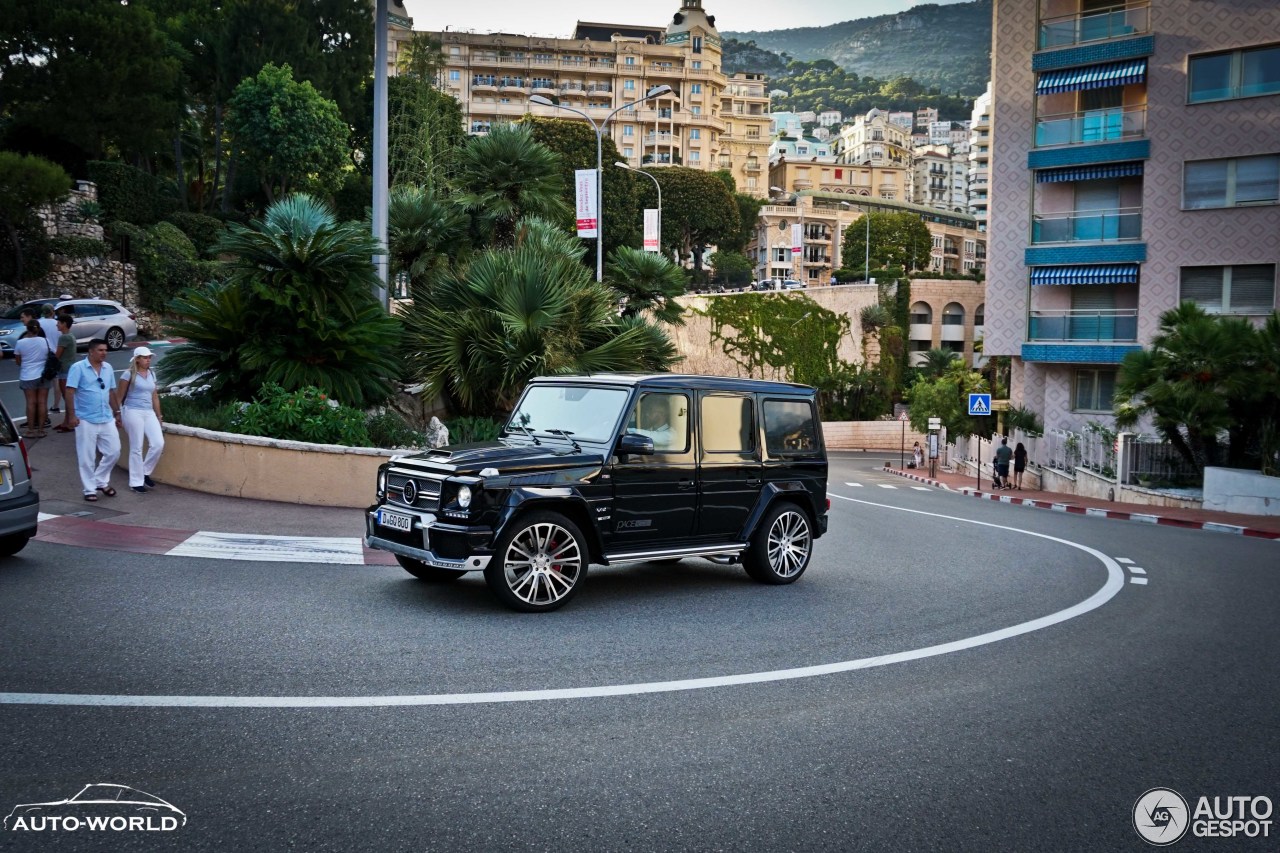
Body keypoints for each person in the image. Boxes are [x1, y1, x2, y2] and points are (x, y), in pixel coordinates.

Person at [64, 338, 122, 501]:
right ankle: (89, 489)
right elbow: (70, 391)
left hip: (106, 417)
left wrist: (117, 411)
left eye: (105, 350)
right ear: (91, 351)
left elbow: (111, 391)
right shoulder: (78, 368)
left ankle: (100, 480)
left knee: (114, 452)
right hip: (85, 419)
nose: (104, 353)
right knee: (86, 456)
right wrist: (72, 415)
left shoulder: (108, 368)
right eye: (100, 350)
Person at [118, 346, 164, 493]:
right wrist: (117, 414)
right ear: (137, 359)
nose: (148, 360)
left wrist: (159, 415)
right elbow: (119, 397)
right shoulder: (128, 374)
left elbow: (154, 395)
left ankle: (144, 473)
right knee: (136, 447)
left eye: (149, 357)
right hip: (132, 411)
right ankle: (135, 482)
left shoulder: (151, 373)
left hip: (149, 412)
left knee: (158, 443)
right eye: (145, 357)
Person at [13, 320, 50, 439]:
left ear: (27, 329)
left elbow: (18, 361)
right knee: (42, 402)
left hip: (27, 375)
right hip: (44, 375)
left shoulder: (20, 343)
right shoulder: (45, 341)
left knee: (30, 402)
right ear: (38, 329)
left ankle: (30, 430)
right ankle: (41, 429)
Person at [51, 314, 76, 431]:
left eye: (59, 323)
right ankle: (66, 422)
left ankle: (69, 422)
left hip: (64, 368)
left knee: (67, 397)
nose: (57, 324)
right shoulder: (70, 336)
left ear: (64, 324)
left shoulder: (64, 338)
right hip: (68, 367)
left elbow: (58, 355)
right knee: (67, 396)